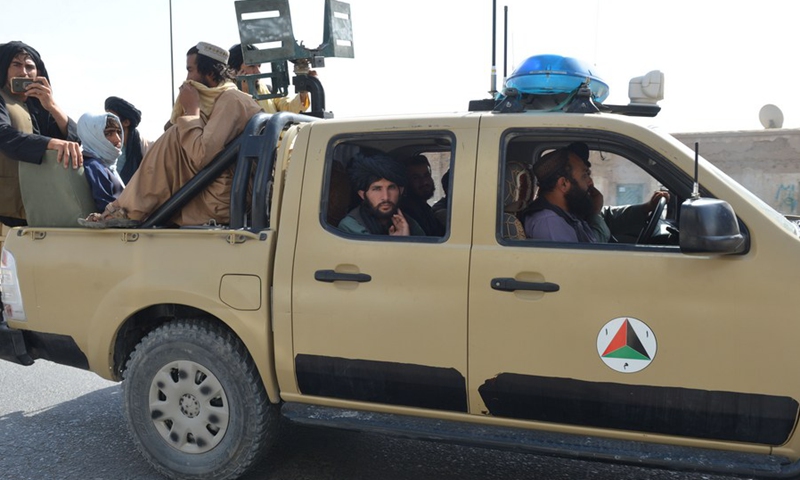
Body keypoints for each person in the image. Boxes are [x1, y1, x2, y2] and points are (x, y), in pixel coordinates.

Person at [79, 41, 262, 228]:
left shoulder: (232, 100)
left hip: (222, 199)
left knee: (175, 135)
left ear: (209, 72)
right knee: (175, 133)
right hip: (215, 190)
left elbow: (202, 155)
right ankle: (126, 209)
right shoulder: (222, 99)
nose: (187, 78)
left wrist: (192, 111)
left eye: (191, 70)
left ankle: (127, 211)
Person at [0, 41, 82, 227]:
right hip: (6, 207)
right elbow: (4, 135)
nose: (24, 73)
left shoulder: (38, 106)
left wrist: (51, 105)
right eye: (16, 65)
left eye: (30, 67)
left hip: (37, 203)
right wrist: (50, 143)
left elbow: (74, 140)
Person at [338, 152, 424, 236]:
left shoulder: (408, 223)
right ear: (362, 194)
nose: (386, 197)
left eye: (391, 188)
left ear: (400, 191)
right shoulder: (350, 227)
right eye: (377, 189)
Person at [227, 43, 311, 114]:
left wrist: (303, 92)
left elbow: (288, 107)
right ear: (234, 71)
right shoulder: (226, 95)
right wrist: (245, 93)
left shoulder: (267, 90)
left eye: (259, 66)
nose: (258, 71)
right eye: (251, 66)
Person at [77, 112, 124, 212]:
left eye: (118, 132)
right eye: (108, 134)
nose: (118, 139)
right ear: (91, 136)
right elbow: (109, 211)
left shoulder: (107, 165)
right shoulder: (95, 167)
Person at [104, 96, 151, 184]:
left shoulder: (146, 148)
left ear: (126, 122)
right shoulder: (105, 148)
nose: (107, 121)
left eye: (111, 117)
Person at [400, 154, 445, 236]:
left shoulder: (424, 208)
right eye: (416, 178)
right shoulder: (410, 212)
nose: (424, 182)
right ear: (406, 182)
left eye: (426, 175)